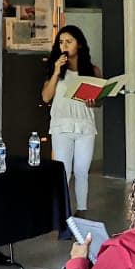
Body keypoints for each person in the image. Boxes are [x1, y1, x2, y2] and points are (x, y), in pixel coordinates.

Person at [42, 25, 100, 214]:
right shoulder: (55, 69)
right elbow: (45, 97)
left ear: (79, 45)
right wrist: (56, 72)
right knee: (63, 172)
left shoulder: (92, 70)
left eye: (69, 41)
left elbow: (99, 101)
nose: (64, 45)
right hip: (62, 126)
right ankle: (61, 213)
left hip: (85, 126)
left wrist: (95, 102)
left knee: (82, 171)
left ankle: (82, 210)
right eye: (61, 42)